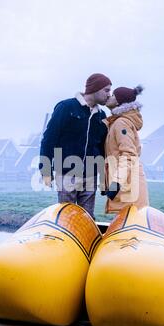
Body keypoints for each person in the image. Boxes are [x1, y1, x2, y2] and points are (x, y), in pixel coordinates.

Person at [39, 73, 112, 218]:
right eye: (106, 90)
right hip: (67, 173)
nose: (109, 95)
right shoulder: (66, 107)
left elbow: (103, 148)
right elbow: (49, 139)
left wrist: (104, 179)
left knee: (87, 218)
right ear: (95, 89)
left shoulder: (101, 116)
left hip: (90, 175)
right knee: (67, 217)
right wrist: (46, 170)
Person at [103, 85, 149, 213]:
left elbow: (129, 154)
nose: (109, 96)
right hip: (127, 182)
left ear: (118, 101)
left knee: (128, 224)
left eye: (112, 95)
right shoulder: (118, 121)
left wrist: (116, 183)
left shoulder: (121, 123)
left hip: (128, 185)